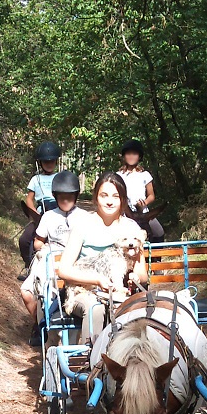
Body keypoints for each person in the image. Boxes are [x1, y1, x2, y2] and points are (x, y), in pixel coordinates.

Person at [58, 172, 148, 343]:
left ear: (122, 199)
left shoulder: (131, 227)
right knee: (96, 309)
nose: (109, 201)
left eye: (115, 196)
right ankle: (92, 359)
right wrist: (97, 280)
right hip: (84, 291)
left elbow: (142, 274)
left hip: (118, 292)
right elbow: (64, 269)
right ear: (96, 197)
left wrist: (135, 277)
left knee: (133, 308)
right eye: (104, 195)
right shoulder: (83, 224)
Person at [21, 170, 87, 346]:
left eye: (69, 196)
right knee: (26, 292)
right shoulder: (49, 217)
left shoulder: (85, 217)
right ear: (56, 196)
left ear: (76, 196)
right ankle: (41, 324)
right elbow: (37, 242)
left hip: (75, 262)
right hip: (51, 260)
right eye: (61, 197)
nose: (65, 200)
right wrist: (45, 247)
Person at [18, 140, 60, 280]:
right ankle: (28, 265)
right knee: (24, 239)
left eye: (52, 161)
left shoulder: (60, 178)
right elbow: (29, 198)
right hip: (41, 214)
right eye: (46, 161)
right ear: (40, 163)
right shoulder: (36, 179)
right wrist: (35, 213)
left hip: (57, 212)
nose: (49, 164)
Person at [118, 138, 164, 242]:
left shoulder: (145, 175)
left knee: (159, 231)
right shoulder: (118, 176)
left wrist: (144, 203)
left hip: (143, 214)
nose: (131, 156)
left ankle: (157, 257)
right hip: (125, 213)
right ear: (124, 156)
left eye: (134, 154)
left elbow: (151, 195)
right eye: (128, 154)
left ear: (139, 156)